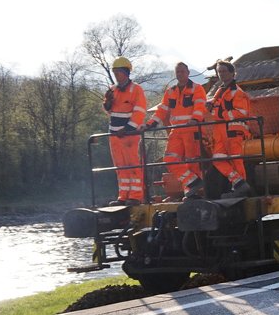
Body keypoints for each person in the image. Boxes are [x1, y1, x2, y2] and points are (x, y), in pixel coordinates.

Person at [146, 62, 208, 199]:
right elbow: (162, 109)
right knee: (170, 159)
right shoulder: (170, 91)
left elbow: (200, 106)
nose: (180, 74)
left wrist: (195, 119)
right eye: (177, 72)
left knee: (192, 163)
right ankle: (193, 183)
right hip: (176, 131)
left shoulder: (197, 89)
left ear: (188, 73)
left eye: (182, 71)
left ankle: (193, 193)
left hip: (191, 130)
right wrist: (150, 123)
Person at [103, 56, 147, 205]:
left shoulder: (136, 90)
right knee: (120, 167)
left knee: (132, 165)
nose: (116, 74)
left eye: (119, 71)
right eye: (114, 72)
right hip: (114, 135)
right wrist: (107, 104)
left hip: (129, 135)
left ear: (126, 72)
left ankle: (135, 196)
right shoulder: (112, 90)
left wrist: (128, 129)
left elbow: (140, 111)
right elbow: (110, 111)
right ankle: (123, 196)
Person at [208, 60, 254, 196]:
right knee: (217, 160)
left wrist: (221, 114)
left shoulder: (237, 92)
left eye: (224, 71)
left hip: (233, 131)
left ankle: (240, 189)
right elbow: (216, 109)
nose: (221, 74)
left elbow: (242, 112)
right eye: (219, 71)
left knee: (236, 160)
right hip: (220, 132)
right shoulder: (219, 91)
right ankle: (239, 183)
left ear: (232, 73)